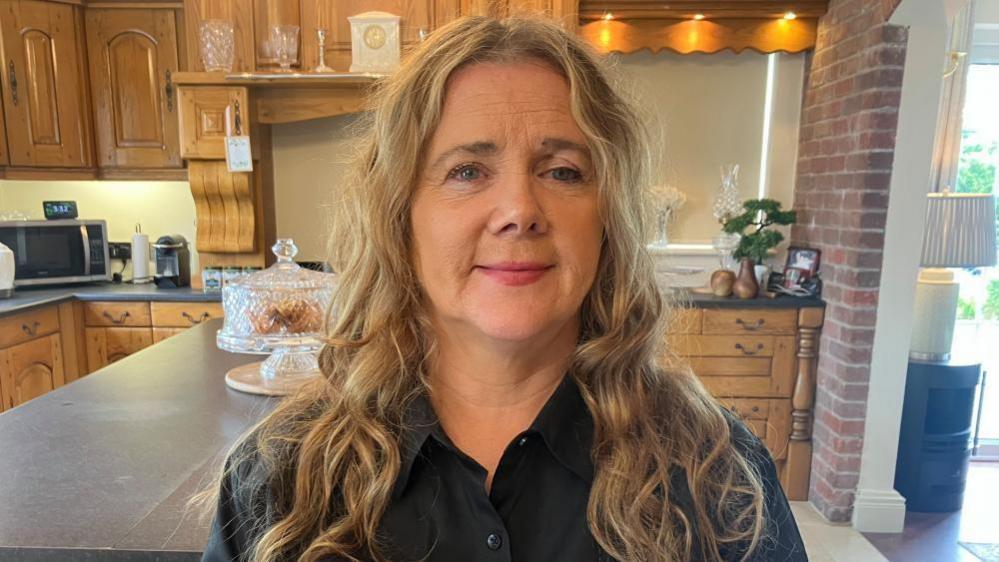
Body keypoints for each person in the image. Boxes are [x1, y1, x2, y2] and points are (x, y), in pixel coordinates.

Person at [200, 15, 808, 562]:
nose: (519, 209)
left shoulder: (718, 474)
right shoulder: (281, 474)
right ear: (399, 214)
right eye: (467, 171)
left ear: (609, 218)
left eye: (563, 171)